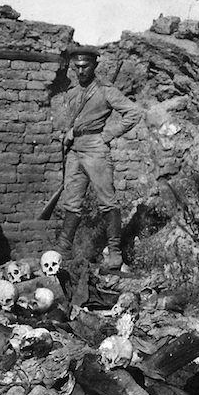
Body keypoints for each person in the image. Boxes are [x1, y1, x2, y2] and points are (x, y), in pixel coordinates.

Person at [54, 45, 142, 271]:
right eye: (77, 67)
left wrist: (108, 134)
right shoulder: (73, 92)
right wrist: (70, 132)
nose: (81, 71)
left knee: (106, 200)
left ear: (94, 65)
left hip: (95, 148)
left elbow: (133, 113)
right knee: (71, 201)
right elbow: (75, 120)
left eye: (85, 66)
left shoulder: (105, 90)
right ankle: (63, 251)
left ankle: (114, 253)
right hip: (76, 148)